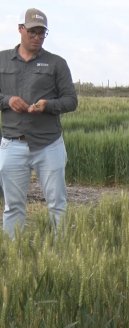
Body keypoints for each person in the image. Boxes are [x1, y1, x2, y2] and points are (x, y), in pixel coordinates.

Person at [0, 8, 78, 238]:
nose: (37, 37)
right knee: (13, 206)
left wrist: (48, 105)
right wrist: (7, 100)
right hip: (13, 144)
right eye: (32, 32)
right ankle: (15, 256)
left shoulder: (56, 63)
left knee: (57, 204)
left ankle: (61, 255)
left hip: (49, 144)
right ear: (20, 29)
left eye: (42, 33)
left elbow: (71, 101)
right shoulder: (2, 60)